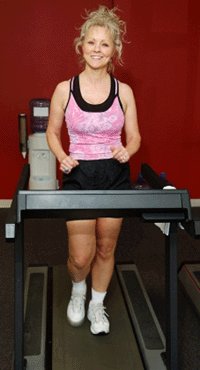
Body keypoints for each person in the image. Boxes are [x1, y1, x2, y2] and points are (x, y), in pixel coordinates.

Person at [46, 5, 141, 335]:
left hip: (114, 175)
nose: (98, 49)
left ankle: (96, 304)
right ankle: (78, 290)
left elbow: (135, 137)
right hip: (79, 174)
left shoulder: (124, 92)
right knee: (81, 256)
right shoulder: (64, 89)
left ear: (114, 50)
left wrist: (127, 150)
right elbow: (51, 130)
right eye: (92, 42)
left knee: (106, 247)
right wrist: (61, 155)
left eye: (105, 44)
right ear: (80, 45)